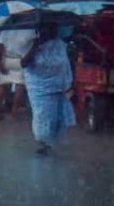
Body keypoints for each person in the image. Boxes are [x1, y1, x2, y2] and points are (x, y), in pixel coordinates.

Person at [21, 23, 76, 154]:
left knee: (56, 115)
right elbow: (24, 63)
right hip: (39, 86)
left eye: (52, 29)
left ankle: (51, 141)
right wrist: (35, 47)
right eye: (46, 29)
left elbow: (67, 63)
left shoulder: (60, 45)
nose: (49, 32)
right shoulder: (31, 44)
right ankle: (42, 142)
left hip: (57, 85)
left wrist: (70, 82)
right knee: (42, 114)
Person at [0, 27, 35, 120]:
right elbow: (34, 46)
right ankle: (13, 114)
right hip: (21, 60)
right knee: (19, 87)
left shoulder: (6, 30)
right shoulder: (31, 30)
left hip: (6, 59)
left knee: (2, 85)